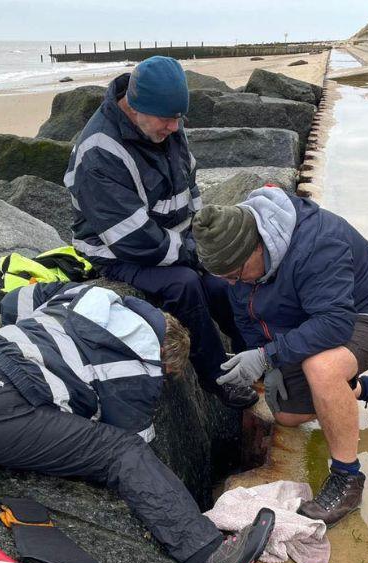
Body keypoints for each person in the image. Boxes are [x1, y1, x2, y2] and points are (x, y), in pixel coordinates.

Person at [0, 282, 273, 563]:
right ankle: (211, 558)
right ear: (163, 355)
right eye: (167, 374)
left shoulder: (82, 294)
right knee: (121, 453)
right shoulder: (141, 363)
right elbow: (131, 446)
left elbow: (15, 302)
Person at [192, 187, 368, 525]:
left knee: (321, 368)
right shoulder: (242, 262)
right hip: (318, 316)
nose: (235, 282)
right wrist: (266, 361)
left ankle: (347, 478)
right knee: (289, 415)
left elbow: (335, 324)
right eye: (227, 278)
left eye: (237, 273)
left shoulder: (316, 244)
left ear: (258, 245)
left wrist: (269, 356)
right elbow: (249, 315)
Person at [64, 55, 257, 410]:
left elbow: (190, 185)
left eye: (178, 119)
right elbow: (133, 239)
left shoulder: (164, 123)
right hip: (117, 253)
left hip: (176, 240)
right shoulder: (100, 151)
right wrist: (195, 254)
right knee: (184, 284)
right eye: (167, 120)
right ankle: (216, 377)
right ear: (134, 107)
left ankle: (257, 355)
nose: (174, 127)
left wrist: (204, 238)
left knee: (221, 282)